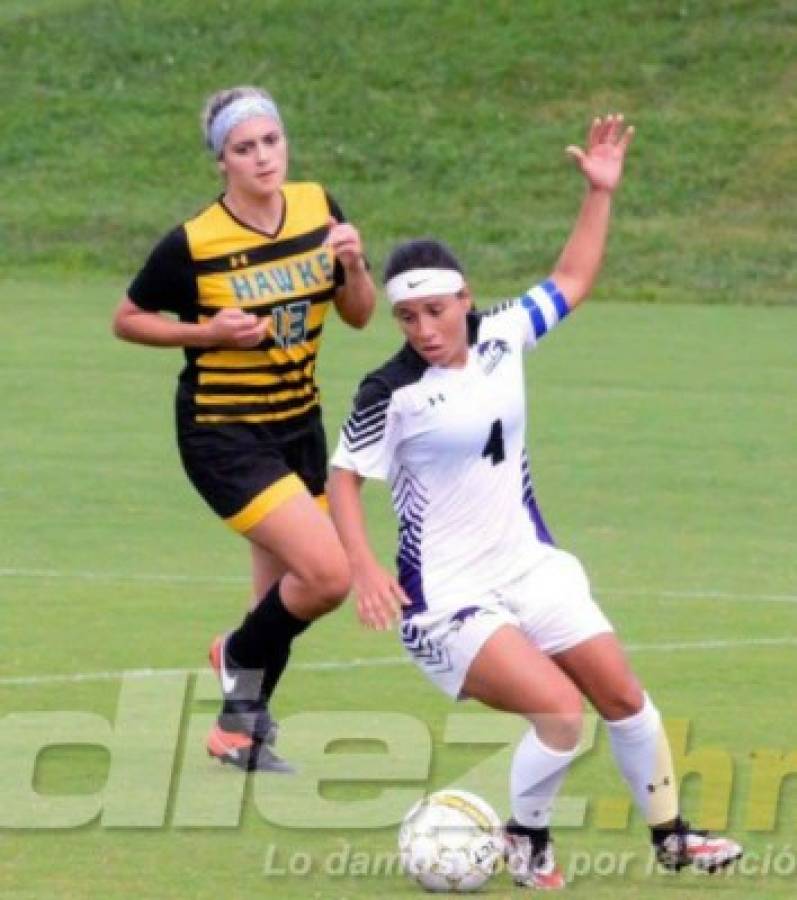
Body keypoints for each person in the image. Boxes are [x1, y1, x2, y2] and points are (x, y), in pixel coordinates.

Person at [327, 114, 742, 887]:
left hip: (529, 564)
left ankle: (672, 838)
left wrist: (598, 193)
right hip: (446, 597)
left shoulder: (501, 334)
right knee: (559, 715)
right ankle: (526, 840)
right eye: (408, 316)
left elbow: (573, 280)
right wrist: (361, 567)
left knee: (623, 698)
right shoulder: (391, 393)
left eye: (436, 310)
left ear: (464, 299)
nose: (423, 328)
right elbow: (342, 476)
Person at [113, 85, 376, 772]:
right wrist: (208, 332)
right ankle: (235, 656)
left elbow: (359, 314)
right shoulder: (195, 242)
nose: (262, 157)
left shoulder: (320, 209)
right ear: (221, 161)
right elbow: (127, 318)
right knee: (326, 575)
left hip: (298, 424)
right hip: (223, 431)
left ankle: (237, 731)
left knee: (275, 597)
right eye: (244, 148)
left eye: (271, 141)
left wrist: (351, 265)